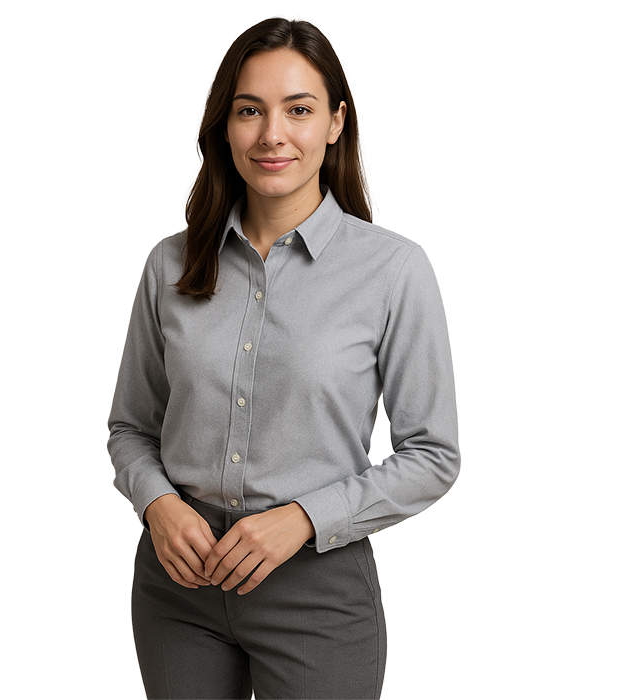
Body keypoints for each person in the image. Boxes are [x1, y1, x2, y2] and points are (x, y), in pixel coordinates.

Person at [107, 16, 459, 700]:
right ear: (225, 126)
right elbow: (130, 428)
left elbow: (433, 455)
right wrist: (158, 504)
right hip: (176, 589)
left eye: (298, 109)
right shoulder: (169, 265)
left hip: (316, 591)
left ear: (335, 122)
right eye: (250, 111)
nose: (272, 134)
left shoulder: (392, 270)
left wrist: (302, 518)